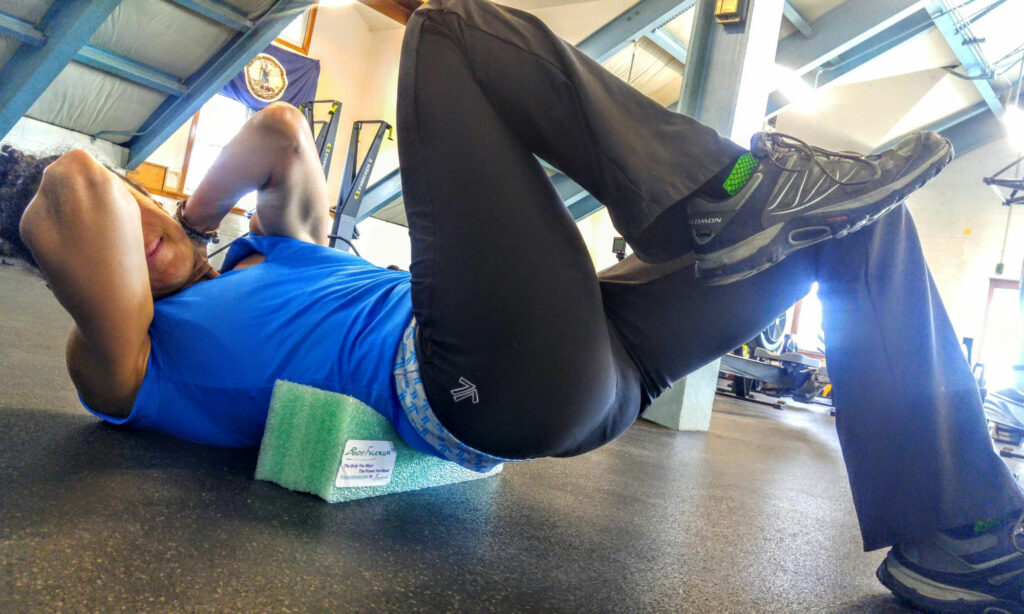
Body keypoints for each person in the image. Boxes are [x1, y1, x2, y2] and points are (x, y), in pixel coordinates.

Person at [5, 0, 1023, 610]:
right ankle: (719, 201)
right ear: (69, 266)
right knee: (448, 35)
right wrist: (107, 202)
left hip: (593, 350)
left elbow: (275, 126)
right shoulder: (127, 362)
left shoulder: (278, 249)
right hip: (482, 381)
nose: (131, 222)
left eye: (143, 209)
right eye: (93, 240)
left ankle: (960, 529)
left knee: (850, 216)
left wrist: (191, 212)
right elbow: (82, 189)